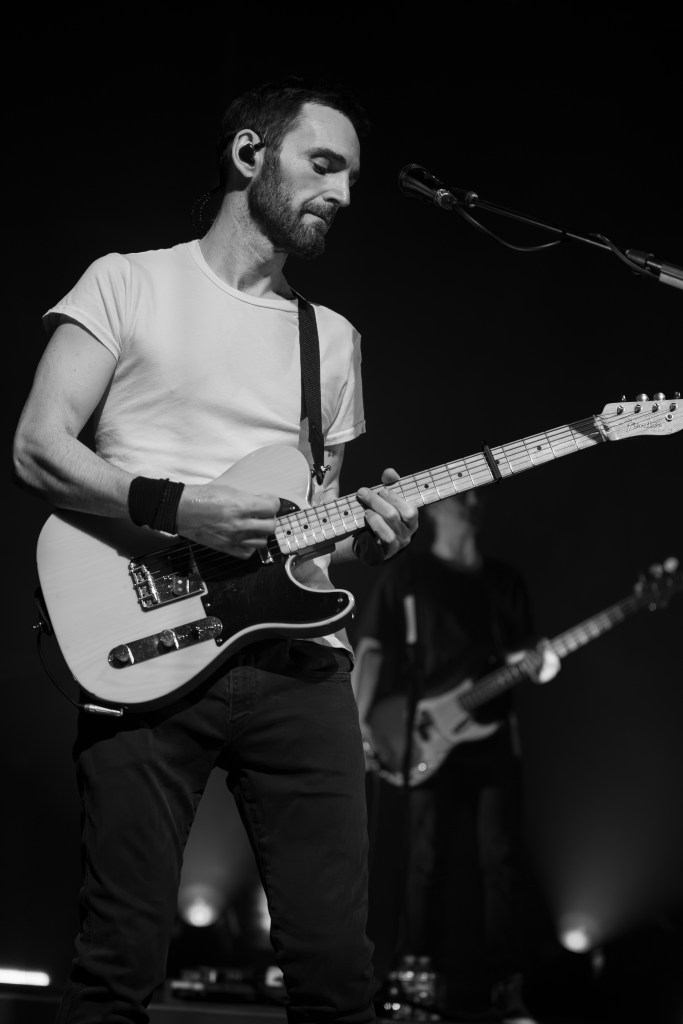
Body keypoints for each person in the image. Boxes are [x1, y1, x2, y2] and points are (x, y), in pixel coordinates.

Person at [12, 77, 419, 1024]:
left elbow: (309, 537)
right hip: (144, 651)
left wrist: (370, 538)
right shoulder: (128, 281)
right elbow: (37, 447)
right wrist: (177, 507)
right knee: (117, 968)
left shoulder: (333, 341)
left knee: (338, 977)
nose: (341, 194)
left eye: (351, 179)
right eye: (323, 165)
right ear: (249, 155)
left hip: (297, 664)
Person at [351, 491, 560, 1023]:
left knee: (501, 862)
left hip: (493, 737)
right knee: (423, 860)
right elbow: (371, 649)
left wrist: (540, 662)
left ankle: (505, 990)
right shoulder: (408, 576)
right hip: (422, 735)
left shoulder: (504, 581)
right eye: (461, 492)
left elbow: (526, 656)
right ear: (437, 506)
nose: (472, 498)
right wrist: (359, 728)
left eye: (476, 493)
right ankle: (418, 982)